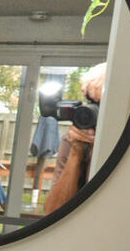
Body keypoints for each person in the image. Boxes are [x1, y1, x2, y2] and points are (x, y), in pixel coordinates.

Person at [44, 64, 105, 216]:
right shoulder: (73, 140)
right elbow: (53, 212)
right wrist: (76, 152)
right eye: (91, 101)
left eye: (102, 102)